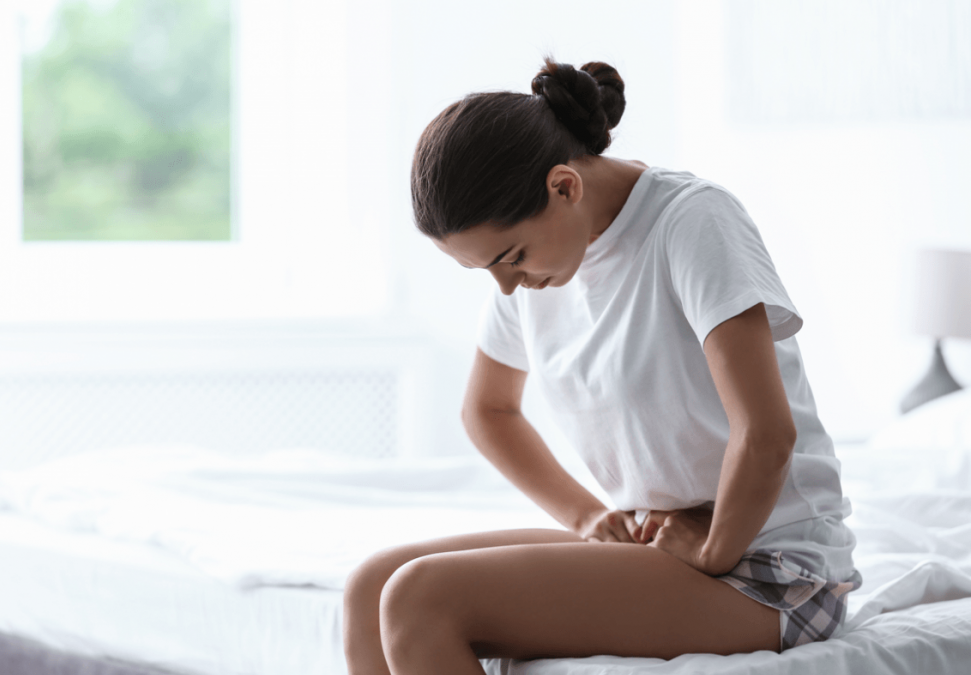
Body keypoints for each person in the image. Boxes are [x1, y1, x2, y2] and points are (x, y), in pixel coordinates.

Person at [342, 58, 862, 675]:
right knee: (371, 588)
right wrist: (588, 516)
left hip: (771, 568)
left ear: (564, 187)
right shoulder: (535, 267)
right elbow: (488, 410)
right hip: (657, 544)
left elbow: (767, 433)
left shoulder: (692, 221)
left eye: (511, 258)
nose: (506, 287)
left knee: (420, 597)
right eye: (486, 270)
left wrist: (714, 552)